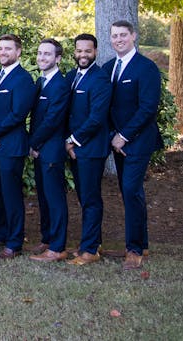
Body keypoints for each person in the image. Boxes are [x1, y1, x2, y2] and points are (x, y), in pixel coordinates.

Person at [102, 20, 162, 270]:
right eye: (114, 36)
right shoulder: (108, 67)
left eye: (123, 35)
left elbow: (148, 107)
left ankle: (134, 249)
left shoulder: (146, 68)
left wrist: (124, 135)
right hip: (118, 141)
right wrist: (112, 136)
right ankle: (143, 243)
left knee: (130, 189)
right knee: (132, 192)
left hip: (138, 140)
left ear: (133, 36)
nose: (118, 40)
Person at [0, 34, 35, 259]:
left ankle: (14, 242)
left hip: (11, 146)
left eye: (8, 49)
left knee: (11, 194)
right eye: (0, 49)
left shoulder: (23, 79)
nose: (3, 52)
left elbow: (18, 114)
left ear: (18, 52)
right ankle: (2, 234)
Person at [64, 34, 112, 266]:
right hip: (75, 148)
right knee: (84, 197)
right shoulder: (72, 76)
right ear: (74, 51)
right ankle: (94, 241)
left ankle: (90, 250)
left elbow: (96, 118)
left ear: (96, 52)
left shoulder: (100, 79)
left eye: (88, 51)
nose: (83, 55)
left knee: (91, 199)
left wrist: (73, 140)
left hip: (91, 148)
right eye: (79, 50)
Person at [27, 39, 71, 262]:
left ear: (58, 58)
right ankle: (47, 239)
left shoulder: (60, 85)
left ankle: (58, 247)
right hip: (40, 150)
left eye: (47, 54)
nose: (42, 58)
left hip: (51, 150)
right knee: (43, 197)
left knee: (55, 199)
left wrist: (33, 143)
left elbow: (52, 120)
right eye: (40, 53)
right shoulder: (40, 82)